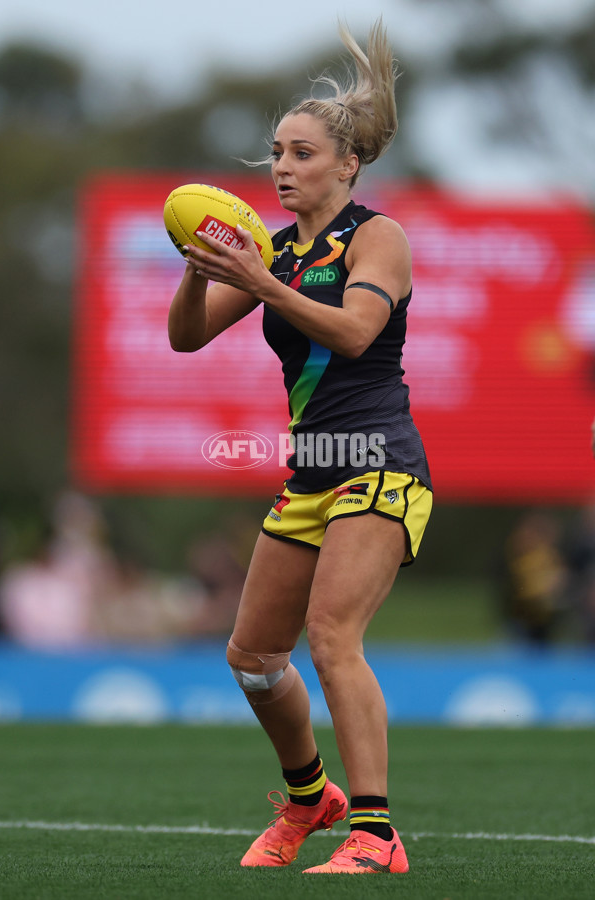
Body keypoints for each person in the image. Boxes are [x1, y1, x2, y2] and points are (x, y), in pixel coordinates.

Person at [168, 19, 432, 876]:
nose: (281, 167)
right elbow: (185, 341)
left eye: (302, 153)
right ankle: (310, 795)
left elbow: (357, 334)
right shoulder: (275, 251)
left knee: (331, 637)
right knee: (251, 657)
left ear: (348, 164)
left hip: (381, 462)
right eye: (276, 152)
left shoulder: (375, 237)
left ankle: (376, 833)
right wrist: (196, 267)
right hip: (313, 473)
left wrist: (259, 279)